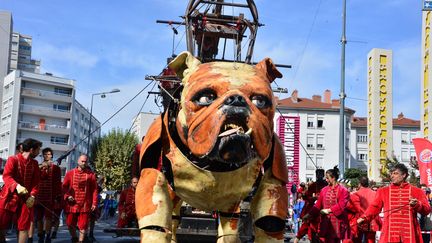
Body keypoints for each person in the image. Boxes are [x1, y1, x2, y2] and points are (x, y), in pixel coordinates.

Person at [357, 163, 431, 243]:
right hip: (389, 233)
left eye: (395, 173)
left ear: (404, 175)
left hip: (410, 233)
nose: (392, 176)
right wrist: (364, 217)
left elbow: (427, 210)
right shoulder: (383, 191)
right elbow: (374, 207)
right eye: (391, 173)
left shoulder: (417, 191)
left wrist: (417, 205)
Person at [0, 138, 42, 243]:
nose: (39, 152)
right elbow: (7, 176)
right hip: (8, 197)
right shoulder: (12, 159)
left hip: (25, 199)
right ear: (32, 150)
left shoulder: (35, 163)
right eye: (38, 150)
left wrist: (32, 195)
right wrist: (17, 186)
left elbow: (36, 183)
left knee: (24, 227)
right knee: (1, 226)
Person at [304, 166, 351, 243]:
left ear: (333, 178)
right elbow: (317, 205)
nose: (326, 180)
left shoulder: (343, 190)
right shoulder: (324, 190)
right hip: (326, 223)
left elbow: (342, 205)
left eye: (327, 178)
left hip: (338, 223)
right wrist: (309, 215)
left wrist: (329, 210)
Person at [62, 155, 98, 243]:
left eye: (85, 161)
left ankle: (81, 241)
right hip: (72, 204)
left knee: (84, 225)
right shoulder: (70, 173)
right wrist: (67, 196)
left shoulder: (91, 175)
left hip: (85, 205)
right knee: (70, 224)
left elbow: (94, 190)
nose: (83, 163)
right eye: (82, 161)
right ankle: (74, 238)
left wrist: (94, 203)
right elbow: (64, 187)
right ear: (78, 161)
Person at [33, 147, 62, 243]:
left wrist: (58, 196)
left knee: (49, 217)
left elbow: (58, 183)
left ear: (52, 156)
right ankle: (40, 235)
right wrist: (42, 167)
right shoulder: (38, 166)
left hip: (50, 197)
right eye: (45, 154)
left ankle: (48, 235)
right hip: (39, 196)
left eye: (49, 154)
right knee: (39, 218)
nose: (47, 156)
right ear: (43, 156)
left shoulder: (56, 168)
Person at [294, 169, 327, 243]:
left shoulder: (326, 185)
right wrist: (313, 198)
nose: (319, 176)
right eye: (317, 175)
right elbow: (307, 197)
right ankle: (297, 239)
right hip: (312, 210)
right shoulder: (313, 185)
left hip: (323, 211)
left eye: (321, 174)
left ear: (323, 175)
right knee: (306, 226)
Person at [347, 176, 381, 243]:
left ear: (359, 184)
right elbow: (378, 208)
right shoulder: (375, 194)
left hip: (360, 222)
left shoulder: (355, 194)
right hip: (373, 222)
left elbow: (351, 208)